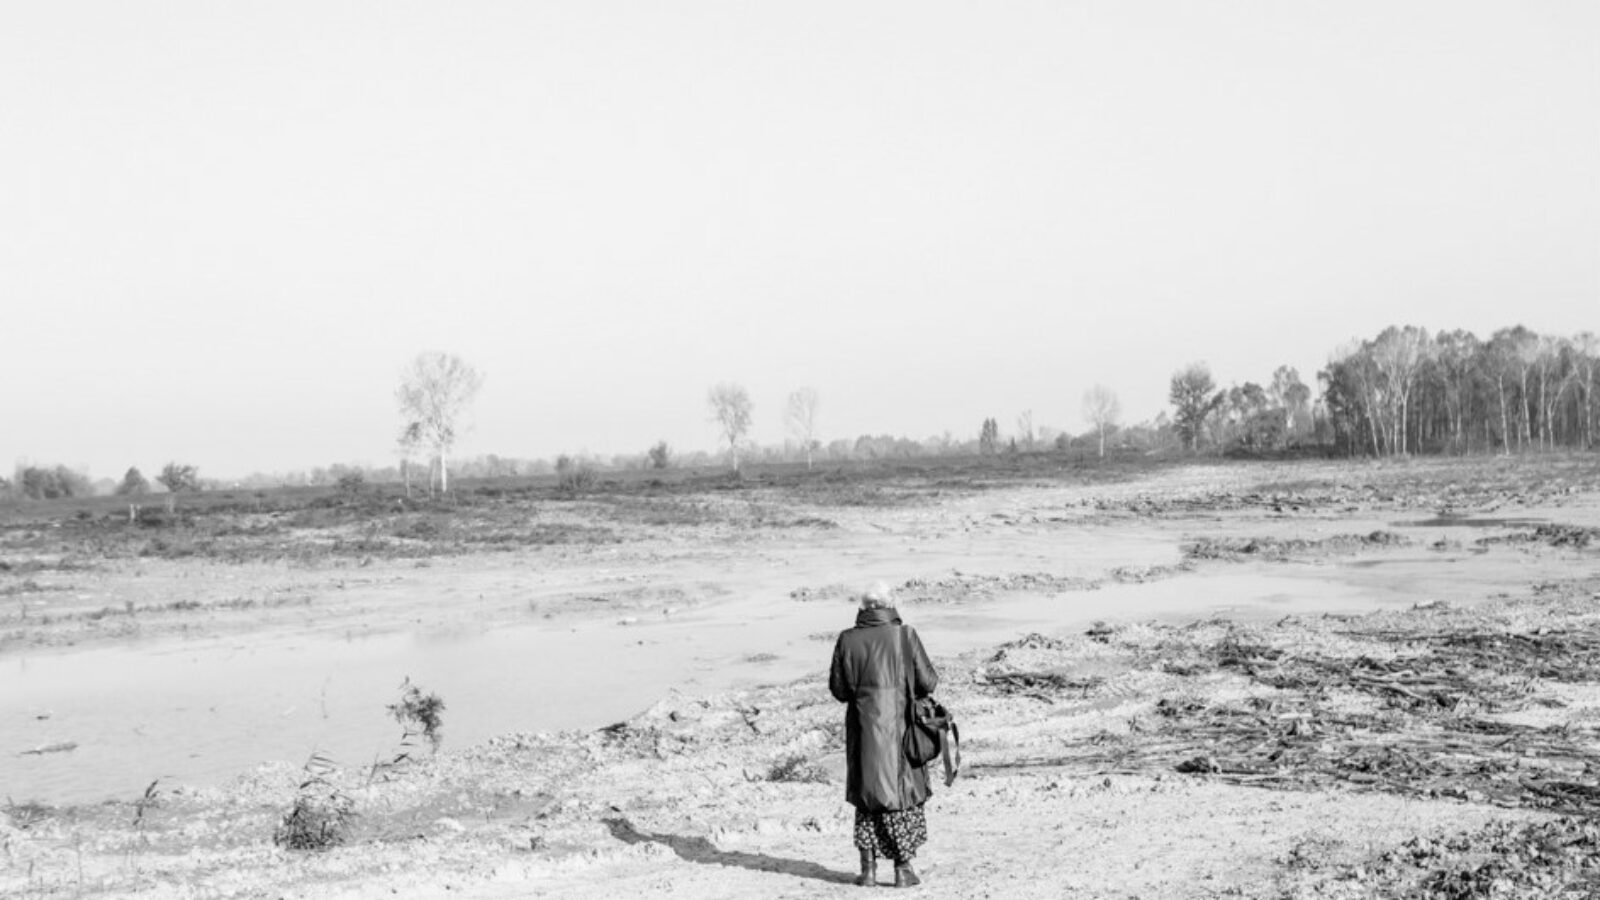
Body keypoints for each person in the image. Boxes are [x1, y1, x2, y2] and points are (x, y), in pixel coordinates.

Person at [829, 581, 938, 888]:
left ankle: (868, 871)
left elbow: (839, 691)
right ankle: (903, 869)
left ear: (863, 608)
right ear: (892, 605)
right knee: (901, 798)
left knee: (868, 801)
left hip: (864, 732)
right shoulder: (905, 636)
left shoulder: (847, 640)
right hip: (902, 732)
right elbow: (928, 682)